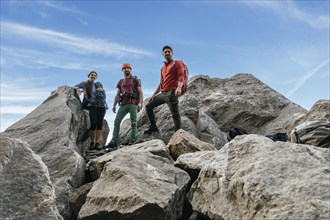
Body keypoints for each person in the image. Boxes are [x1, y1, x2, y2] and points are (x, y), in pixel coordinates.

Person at [144, 45, 185, 134]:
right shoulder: (162, 68)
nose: (167, 53)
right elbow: (161, 82)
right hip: (163, 93)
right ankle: (153, 126)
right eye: (165, 52)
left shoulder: (177, 63)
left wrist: (179, 88)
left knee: (175, 114)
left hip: (172, 92)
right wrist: (154, 94)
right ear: (162, 54)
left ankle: (178, 134)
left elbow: (182, 76)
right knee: (148, 106)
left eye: (168, 52)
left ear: (172, 53)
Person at [106, 63, 143, 148]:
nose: (126, 69)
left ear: (130, 69)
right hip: (123, 104)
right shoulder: (120, 81)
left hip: (133, 103)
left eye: (128, 68)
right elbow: (118, 94)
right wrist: (114, 105)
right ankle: (113, 141)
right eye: (124, 68)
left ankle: (132, 140)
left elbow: (140, 91)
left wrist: (140, 103)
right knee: (116, 122)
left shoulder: (135, 80)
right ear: (122, 70)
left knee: (133, 123)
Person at [74, 71, 107, 150]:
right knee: (93, 124)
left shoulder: (97, 85)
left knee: (99, 125)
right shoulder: (85, 83)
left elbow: (104, 97)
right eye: (92, 75)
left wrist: (102, 90)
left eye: (95, 75)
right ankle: (92, 142)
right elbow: (74, 87)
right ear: (89, 76)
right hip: (92, 106)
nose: (93, 76)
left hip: (102, 106)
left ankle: (97, 143)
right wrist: (79, 90)